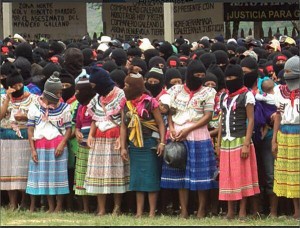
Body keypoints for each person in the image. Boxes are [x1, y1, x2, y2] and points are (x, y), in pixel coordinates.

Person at [160, 60, 218, 218]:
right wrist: (171, 128)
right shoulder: (175, 90)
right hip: (177, 135)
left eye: (202, 75)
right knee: (180, 174)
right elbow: (169, 111)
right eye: (196, 75)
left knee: (201, 175)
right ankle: (184, 210)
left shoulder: (208, 92)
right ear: (188, 75)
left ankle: (201, 209)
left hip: (198, 134)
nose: (199, 78)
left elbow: (208, 116)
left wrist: (189, 129)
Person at [216, 60, 260, 219]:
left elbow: (251, 120)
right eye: (227, 78)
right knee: (228, 176)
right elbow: (221, 121)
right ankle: (230, 210)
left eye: (233, 77)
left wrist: (247, 144)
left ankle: (242, 210)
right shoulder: (223, 96)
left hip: (240, 140)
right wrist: (219, 142)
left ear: (240, 78)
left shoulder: (246, 95)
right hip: (226, 143)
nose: (230, 81)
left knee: (241, 176)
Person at [85, 66, 129, 216]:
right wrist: (91, 135)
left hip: (114, 139)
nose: (93, 89)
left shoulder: (120, 95)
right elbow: (94, 118)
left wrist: (121, 140)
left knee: (116, 172)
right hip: (99, 139)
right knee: (99, 174)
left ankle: (117, 207)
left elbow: (123, 121)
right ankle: (102, 208)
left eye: (94, 85)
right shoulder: (98, 97)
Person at [120, 72, 166, 218]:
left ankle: (152, 212)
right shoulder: (125, 103)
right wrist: (123, 146)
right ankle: (139, 212)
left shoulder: (150, 102)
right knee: (137, 178)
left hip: (149, 143)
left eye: (127, 85)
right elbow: (123, 125)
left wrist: (162, 142)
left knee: (151, 178)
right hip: (134, 144)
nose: (124, 88)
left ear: (135, 86)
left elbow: (160, 123)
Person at [26, 72, 72, 212]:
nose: (59, 96)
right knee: (45, 177)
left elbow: (69, 129)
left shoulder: (64, 108)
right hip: (40, 145)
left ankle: (58, 206)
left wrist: (62, 144)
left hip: (57, 145)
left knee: (58, 177)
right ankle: (50, 206)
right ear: (50, 92)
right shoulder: (35, 107)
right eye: (57, 93)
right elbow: (30, 130)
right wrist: (33, 149)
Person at [0, 69, 37, 210]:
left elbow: (37, 118)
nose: (17, 88)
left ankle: (25, 202)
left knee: (23, 171)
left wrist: (26, 118)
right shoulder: (3, 98)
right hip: (6, 138)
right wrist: (8, 99)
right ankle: (12, 202)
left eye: (20, 85)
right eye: (14, 86)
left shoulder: (33, 98)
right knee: (8, 171)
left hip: (24, 139)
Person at [272, 56, 300, 219]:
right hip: (286, 134)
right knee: (291, 173)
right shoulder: (280, 91)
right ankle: (296, 211)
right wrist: (274, 138)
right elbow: (278, 115)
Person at [73, 76, 96, 213]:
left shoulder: (96, 103)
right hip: (82, 145)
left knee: (93, 175)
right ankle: (85, 208)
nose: (76, 94)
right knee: (82, 176)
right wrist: (77, 131)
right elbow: (77, 124)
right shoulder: (80, 106)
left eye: (78, 91)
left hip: (93, 145)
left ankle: (98, 206)